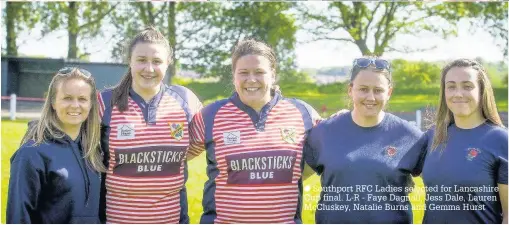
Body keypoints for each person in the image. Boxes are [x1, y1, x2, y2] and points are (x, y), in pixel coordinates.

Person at [187, 39, 321, 223]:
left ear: (273, 75)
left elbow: (329, 149)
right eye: (243, 73)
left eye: (259, 72)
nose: (251, 79)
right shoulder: (210, 116)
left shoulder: (303, 113)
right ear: (234, 76)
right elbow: (174, 155)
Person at [97, 26, 202, 223]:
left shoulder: (185, 100)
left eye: (157, 61)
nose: (149, 68)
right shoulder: (104, 102)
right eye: (141, 60)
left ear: (168, 63)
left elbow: (201, 141)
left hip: (172, 219)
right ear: (130, 61)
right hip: (115, 219)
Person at [303, 57, 427, 223]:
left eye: (378, 90)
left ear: (389, 92)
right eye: (363, 89)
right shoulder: (323, 133)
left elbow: (441, 183)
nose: (370, 97)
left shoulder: (410, 136)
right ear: (350, 90)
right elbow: (292, 180)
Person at [7, 68, 105, 223]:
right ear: (53, 102)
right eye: (67, 98)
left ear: (91, 104)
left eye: (82, 99)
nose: (75, 105)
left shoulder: (94, 152)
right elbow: (19, 217)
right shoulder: (31, 154)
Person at [419, 58, 507, 223]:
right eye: (451, 86)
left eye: (467, 86)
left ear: (482, 91)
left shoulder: (501, 140)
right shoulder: (432, 136)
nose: (458, 93)